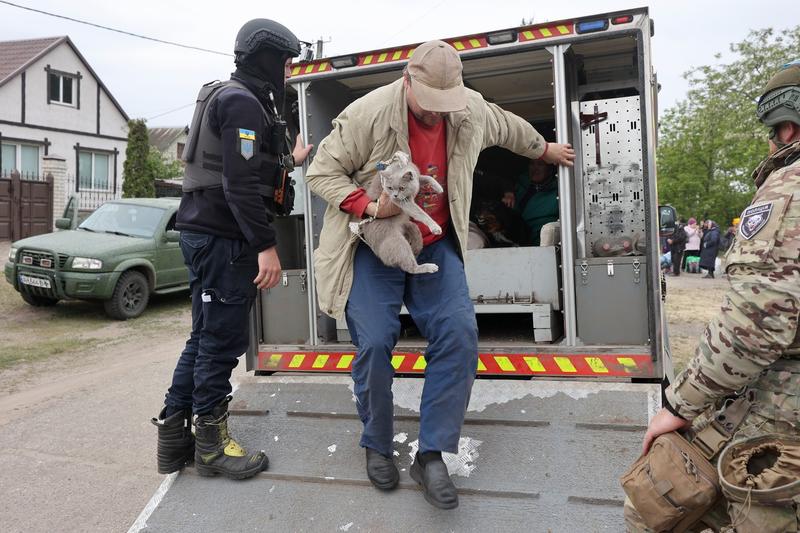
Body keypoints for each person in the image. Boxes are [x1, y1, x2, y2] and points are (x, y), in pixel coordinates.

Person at [305, 40, 575, 509]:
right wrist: (369, 206)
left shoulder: (469, 110)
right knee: (373, 340)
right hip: (375, 243)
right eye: (429, 105)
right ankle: (376, 443)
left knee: (459, 334)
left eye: (445, 106)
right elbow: (321, 172)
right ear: (407, 81)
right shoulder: (369, 114)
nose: (436, 115)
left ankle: (430, 453)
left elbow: (511, 129)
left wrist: (546, 148)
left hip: (435, 241)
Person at [624, 59, 800, 531]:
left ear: (785, 126)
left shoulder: (789, 187)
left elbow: (758, 321)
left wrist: (679, 406)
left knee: (651, 505)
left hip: (782, 407)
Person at [150, 19, 313, 480]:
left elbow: (243, 165)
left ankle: (173, 438)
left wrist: (290, 161)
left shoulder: (231, 97)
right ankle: (211, 448)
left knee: (202, 338)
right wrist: (266, 246)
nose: (287, 70)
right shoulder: (242, 102)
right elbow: (239, 184)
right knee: (222, 342)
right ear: (266, 58)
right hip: (226, 238)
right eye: (284, 61)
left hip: (205, 232)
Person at [502, 158, 559, 246]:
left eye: (540, 164)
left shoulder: (559, 191)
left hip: (538, 243)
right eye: (532, 164)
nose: (535, 168)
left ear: (550, 169)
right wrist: (508, 191)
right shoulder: (520, 184)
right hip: (513, 240)